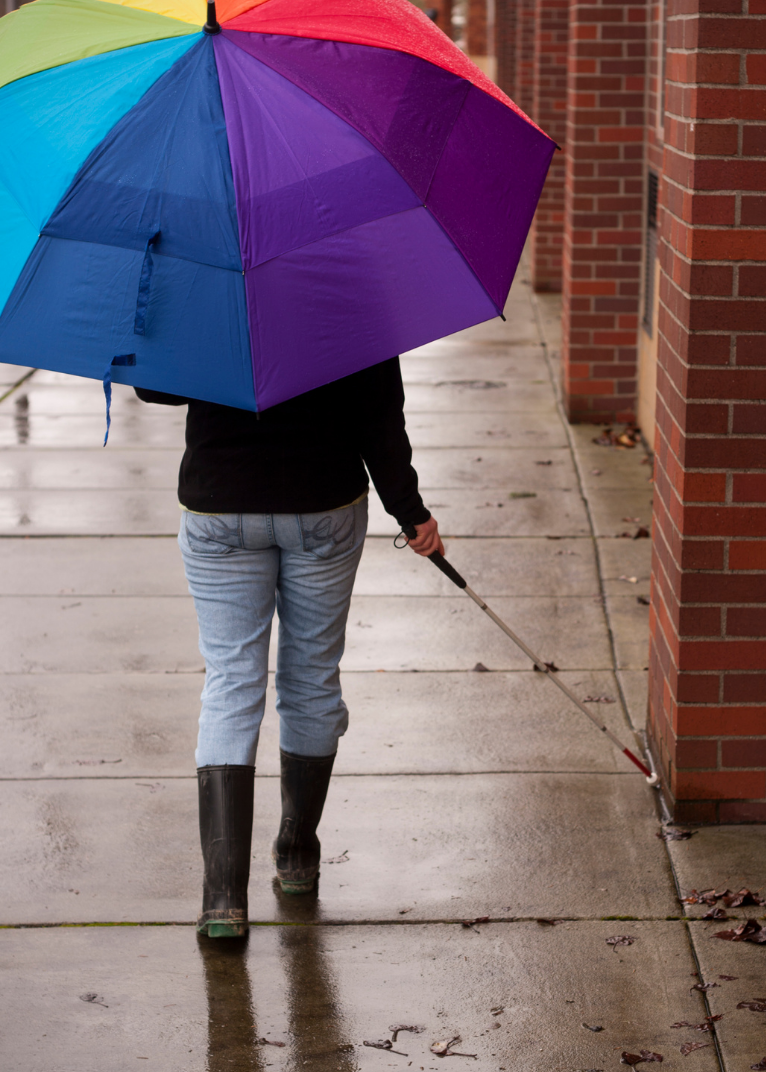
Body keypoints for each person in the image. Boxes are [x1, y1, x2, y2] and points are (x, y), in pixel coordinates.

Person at [136, 357, 442, 938]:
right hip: (322, 501)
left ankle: (223, 897)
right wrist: (410, 510)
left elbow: (152, 386)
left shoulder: (201, 280)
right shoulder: (349, 280)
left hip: (219, 503)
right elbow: (379, 416)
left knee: (231, 682)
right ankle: (297, 853)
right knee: (311, 678)